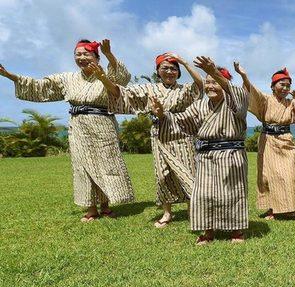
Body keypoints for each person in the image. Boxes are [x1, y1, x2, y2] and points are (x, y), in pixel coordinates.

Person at [0, 39, 134, 222]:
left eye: (86, 54)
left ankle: (106, 206)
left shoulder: (106, 74)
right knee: (82, 166)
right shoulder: (68, 78)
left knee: (106, 163)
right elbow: (40, 87)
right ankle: (91, 208)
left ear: (96, 57)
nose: (81, 58)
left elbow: (122, 78)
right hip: (78, 126)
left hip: (103, 125)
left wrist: (109, 54)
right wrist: (11, 76)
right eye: (77, 54)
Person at [91, 52, 203, 228]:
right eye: (164, 68)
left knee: (189, 172)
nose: (169, 72)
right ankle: (167, 213)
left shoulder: (185, 89)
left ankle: (192, 209)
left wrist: (184, 62)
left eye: (173, 69)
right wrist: (103, 78)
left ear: (179, 72)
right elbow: (121, 93)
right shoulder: (148, 89)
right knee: (162, 175)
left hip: (183, 133)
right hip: (159, 134)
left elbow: (201, 85)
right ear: (158, 71)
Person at [149, 56, 249, 244]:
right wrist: (162, 114)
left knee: (233, 192)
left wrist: (215, 72)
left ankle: (236, 230)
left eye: (215, 82)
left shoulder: (236, 99)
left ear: (223, 82)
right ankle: (208, 230)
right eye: (207, 82)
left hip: (231, 154)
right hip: (205, 156)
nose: (210, 86)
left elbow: (237, 94)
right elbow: (181, 120)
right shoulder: (200, 104)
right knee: (204, 193)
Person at [234, 64, 295, 220]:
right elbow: (252, 93)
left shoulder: (292, 102)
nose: (285, 88)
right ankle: (271, 209)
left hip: (285, 141)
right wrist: (243, 75)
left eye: (288, 86)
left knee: (288, 174)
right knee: (266, 175)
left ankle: (289, 208)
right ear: (273, 85)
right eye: (282, 84)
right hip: (267, 140)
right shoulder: (266, 99)